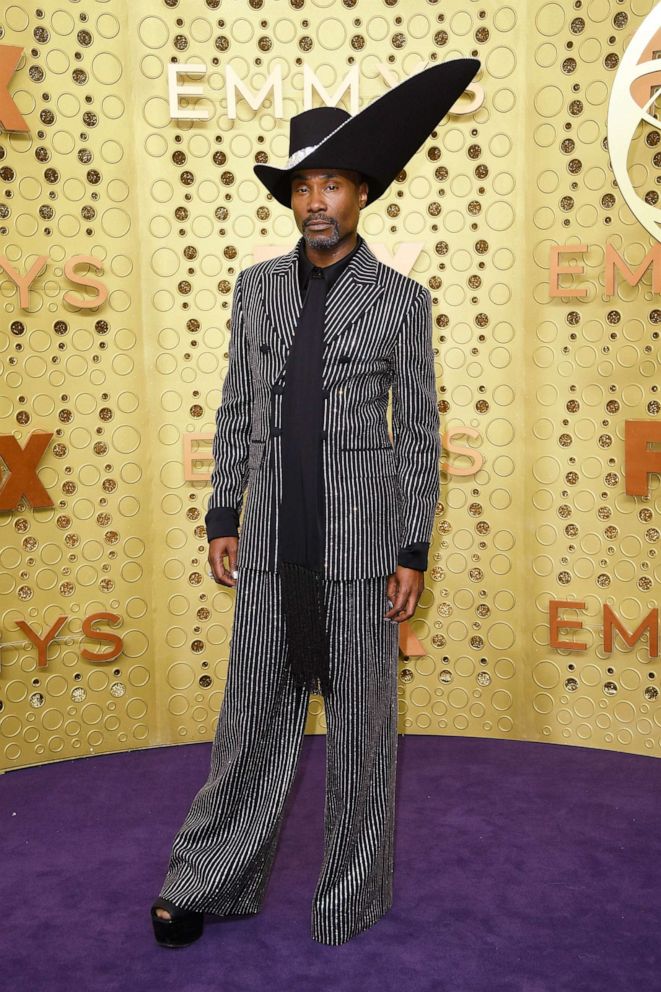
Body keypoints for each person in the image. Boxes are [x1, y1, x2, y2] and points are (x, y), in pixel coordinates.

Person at [151, 57, 480, 948]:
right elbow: (234, 405)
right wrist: (224, 511)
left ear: (360, 192)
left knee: (364, 736)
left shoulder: (401, 301)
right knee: (250, 719)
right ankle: (207, 879)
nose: (315, 202)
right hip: (268, 542)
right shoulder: (254, 289)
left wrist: (412, 547)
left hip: (363, 543)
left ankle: (349, 895)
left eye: (331, 183)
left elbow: (415, 430)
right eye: (302, 185)